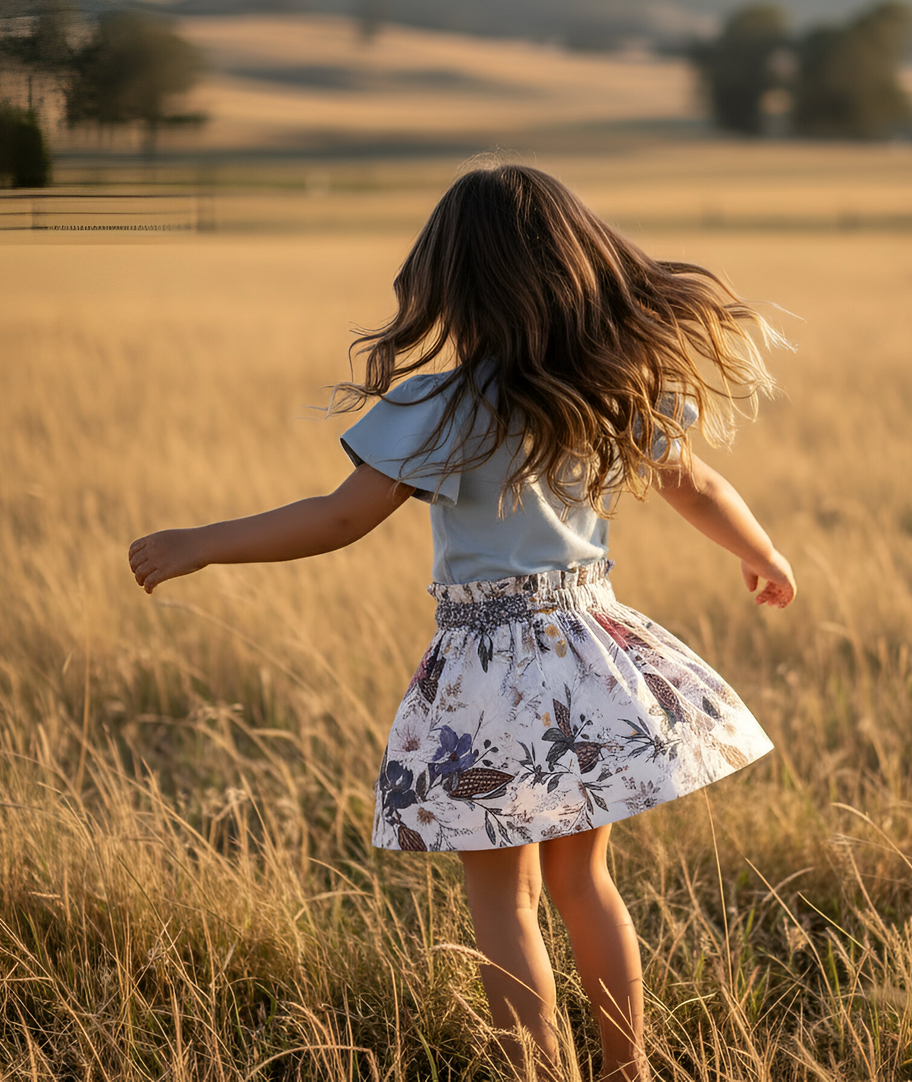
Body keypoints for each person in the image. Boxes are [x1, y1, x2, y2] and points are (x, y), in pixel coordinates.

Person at [129, 164, 796, 1082]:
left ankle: (534, 1074)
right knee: (582, 884)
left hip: (485, 678)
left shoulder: (437, 408)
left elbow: (336, 519)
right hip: (587, 658)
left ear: (456, 285)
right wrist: (765, 555)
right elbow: (699, 485)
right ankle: (625, 1072)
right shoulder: (603, 390)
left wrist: (203, 541)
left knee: (506, 903)